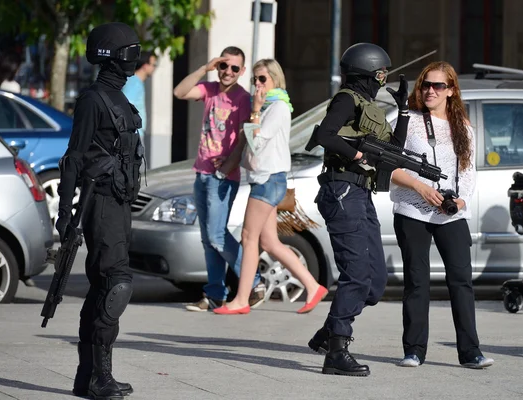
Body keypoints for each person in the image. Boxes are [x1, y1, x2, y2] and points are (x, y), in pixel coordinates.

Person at [305, 43, 410, 376]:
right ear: (370, 73)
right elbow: (325, 135)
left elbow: (393, 149)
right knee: (357, 274)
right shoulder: (347, 99)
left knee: (375, 282)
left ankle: (329, 332)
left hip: (360, 194)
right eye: (381, 74)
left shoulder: (369, 106)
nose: (383, 80)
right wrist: (357, 155)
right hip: (342, 190)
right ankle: (336, 349)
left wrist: (404, 111)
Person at [55, 22, 144, 398]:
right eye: (130, 52)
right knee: (116, 284)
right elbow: (73, 159)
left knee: (101, 288)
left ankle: (89, 375)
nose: (136, 59)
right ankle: (98, 377)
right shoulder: (93, 100)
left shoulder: (120, 97)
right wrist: (64, 212)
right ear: (114, 55)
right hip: (100, 203)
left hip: (120, 204)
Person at [389, 61, 494, 369]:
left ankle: (471, 352)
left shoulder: (463, 126)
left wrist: (462, 201)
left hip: (451, 213)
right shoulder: (406, 120)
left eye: (438, 86)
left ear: (451, 91)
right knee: (417, 281)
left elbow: (469, 171)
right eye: (426, 85)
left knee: (461, 280)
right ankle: (414, 351)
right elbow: (389, 167)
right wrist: (421, 188)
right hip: (412, 209)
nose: (430, 91)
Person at [213, 59, 328, 315]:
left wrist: (254, 110)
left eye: (262, 79)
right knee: (270, 242)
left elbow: (256, 142)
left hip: (268, 180)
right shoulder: (270, 107)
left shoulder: (277, 107)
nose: (257, 84)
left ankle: (242, 299)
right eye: (254, 79)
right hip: (267, 179)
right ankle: (313, 285)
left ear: (275, 80)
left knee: (248, 237)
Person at [173, 46, 265, 312]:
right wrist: (204, 68)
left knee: (216, 234)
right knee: (209, 238)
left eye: (235, 68)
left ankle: (254, 281)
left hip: (223, 177)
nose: (228, 72)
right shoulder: (210, 90)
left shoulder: (243, 99)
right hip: (201, 172)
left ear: (242, 71)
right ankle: (214, 294)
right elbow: (179, 92)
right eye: (224, 66)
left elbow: (243, 138)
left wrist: (226, 167)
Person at [122, 50, 157, 141]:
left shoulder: (135, 81)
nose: (154, 68)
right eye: (153, 65)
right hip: (133, 133)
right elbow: (126, 106)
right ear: (145, 66)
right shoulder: (134, 82)